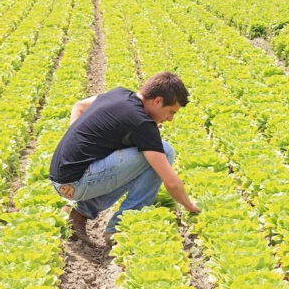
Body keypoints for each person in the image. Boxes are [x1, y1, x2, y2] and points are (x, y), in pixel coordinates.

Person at [49, 71, 200, 245]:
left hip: (62, 178)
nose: (171, 119)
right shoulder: (142, 123)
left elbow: (79, 106)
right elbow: (171, 182)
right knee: (165, 152)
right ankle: (120, 227)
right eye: (171, 111)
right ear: (157, 101)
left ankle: (78, 213)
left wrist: (76, 139)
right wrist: (190, 207)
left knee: (141, 154)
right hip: (75, 184)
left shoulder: (119, 94)